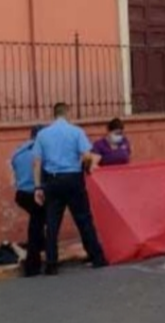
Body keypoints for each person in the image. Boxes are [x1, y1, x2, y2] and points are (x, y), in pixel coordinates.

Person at [33, 102, 108, 276]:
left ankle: (51, 264)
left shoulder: (42, 134)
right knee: (84, 220)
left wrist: (38, 187)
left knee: (52, 224)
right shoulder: (77, 132)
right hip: (74, 178)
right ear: (67, 113)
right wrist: (87, 168)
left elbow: (36, 162)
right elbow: (87, 156)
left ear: (54, 114)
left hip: (52, 181)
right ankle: (97, 258)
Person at [11, 125, 47, 277]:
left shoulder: (18, 151)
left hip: (21, 194)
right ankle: (33, 264)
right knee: (36, 225)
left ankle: (41, 247)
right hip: (36, 193)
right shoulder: (40, 152)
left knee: (37, 222)